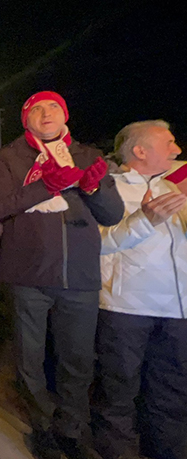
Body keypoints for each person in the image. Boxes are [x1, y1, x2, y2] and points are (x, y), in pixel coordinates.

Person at [0, 91, 123, 459]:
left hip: (78, 276)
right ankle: (42, 426)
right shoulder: (9, 157)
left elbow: (112, 214)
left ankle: (71, 430)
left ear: (65, 115)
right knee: (28, 359)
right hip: (27, 274)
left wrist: (92, 187)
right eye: (37, 109)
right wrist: (46, 184)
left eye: (54, 107)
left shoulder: (88, 155)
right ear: (25, 119)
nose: (46, 114)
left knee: (77, 360)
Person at [92, 120, 187, 459]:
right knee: (118, 390)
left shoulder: (173, 188)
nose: (177, 150)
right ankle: (114, 451)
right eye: (169, 143)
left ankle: (167, 451)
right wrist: (144, 220)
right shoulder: (107, 189)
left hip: (177, 310)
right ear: (140, 151)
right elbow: (99, 244)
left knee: (173, 392)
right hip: (126, 308)